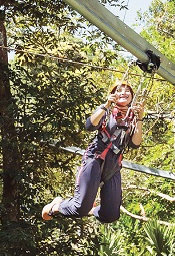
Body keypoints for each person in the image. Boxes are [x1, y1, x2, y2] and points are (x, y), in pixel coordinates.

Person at [41, 80, 144, 223]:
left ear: (132, 96)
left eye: (127, 91)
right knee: (79, 208)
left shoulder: (132, 117)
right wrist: (106, 105)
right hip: (95, 157)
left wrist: (140, 117)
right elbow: (90, 125)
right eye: (119, 90)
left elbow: (135, 144)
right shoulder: (107, 111)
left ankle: (91, 210)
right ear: (113, 95)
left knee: (111, 215)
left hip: (113, 164)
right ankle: (56, 206)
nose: (124, 93)